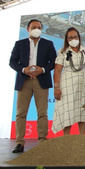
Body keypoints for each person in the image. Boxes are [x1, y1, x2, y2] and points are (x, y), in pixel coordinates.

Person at [9, 19, 57, 153]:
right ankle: (19, 143)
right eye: (34, 27)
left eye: (39, 27)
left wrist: (41, 69)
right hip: (24, 81)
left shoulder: (48, 44)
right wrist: (24, 69)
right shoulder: (19, 44)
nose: (37, 29)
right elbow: (12, 62)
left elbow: (54, 62)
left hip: (41, 80)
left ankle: (42, 141)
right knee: (20, 113)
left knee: (42, 113)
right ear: (28, 29)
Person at [52, 27, 85, 135]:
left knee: (83, 111)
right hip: (67, 87)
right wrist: (56, 88)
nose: (73, 39)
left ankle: (82, 138)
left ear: (79, 37)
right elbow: (57, 71)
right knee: (67, 112)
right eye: (70, 37)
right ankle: (66, 140)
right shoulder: (62, 52)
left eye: (75, 37)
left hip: (84, 85)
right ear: (66, 39)